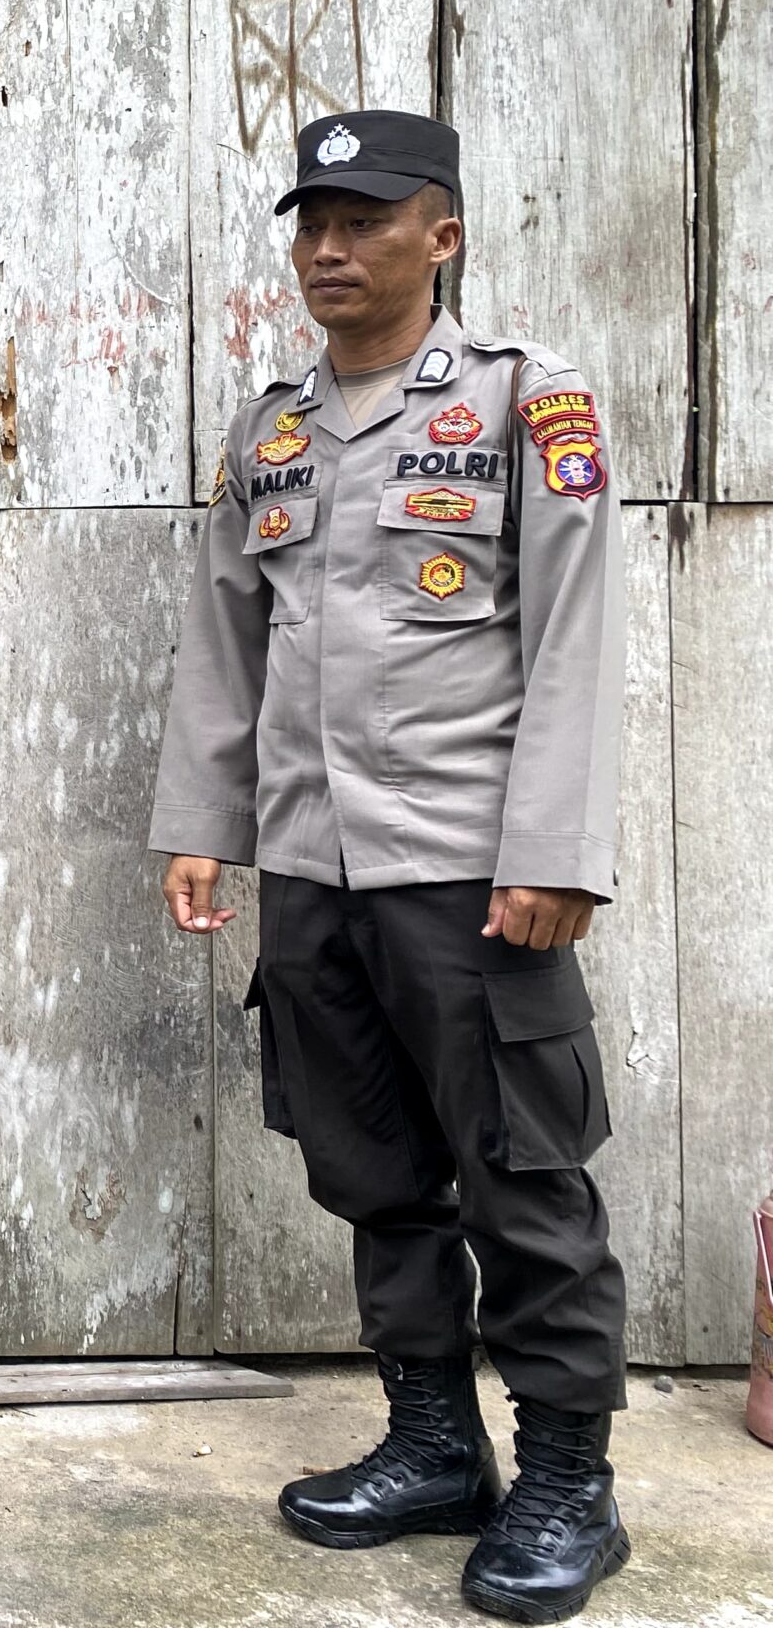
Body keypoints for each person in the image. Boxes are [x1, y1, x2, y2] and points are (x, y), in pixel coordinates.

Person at [151, 112, 630, 1622]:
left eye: (364, 221)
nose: (328, 251)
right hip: (312, 867)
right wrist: (204, 825)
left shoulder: (524, 404)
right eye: (310, 224)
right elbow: (228, 640)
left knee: (521, 1177)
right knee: (370, 1169)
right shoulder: (275, 427)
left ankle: (569, 1484)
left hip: (470, 871)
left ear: (445, 234)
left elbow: (574, 636)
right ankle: (435, 1446)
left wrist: (554, 850)